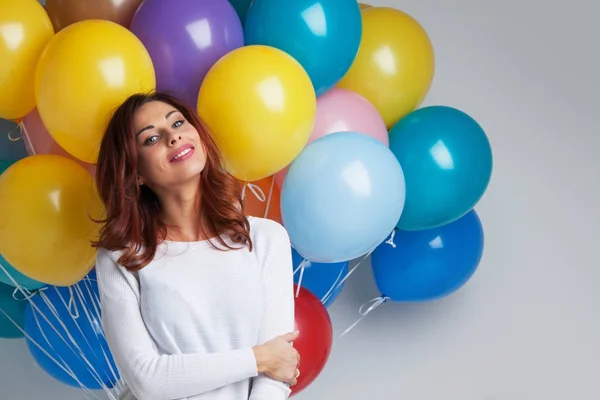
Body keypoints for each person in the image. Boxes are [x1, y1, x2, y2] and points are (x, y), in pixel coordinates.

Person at [93, 92, 300, 400]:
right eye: (150, 139)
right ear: (135, 173)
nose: (173, 136)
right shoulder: (122, 256)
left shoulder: (266, 239)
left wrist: (269, 359)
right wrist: (257, 358)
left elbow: (277, 370)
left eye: (178, 123)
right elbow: (148, 382)